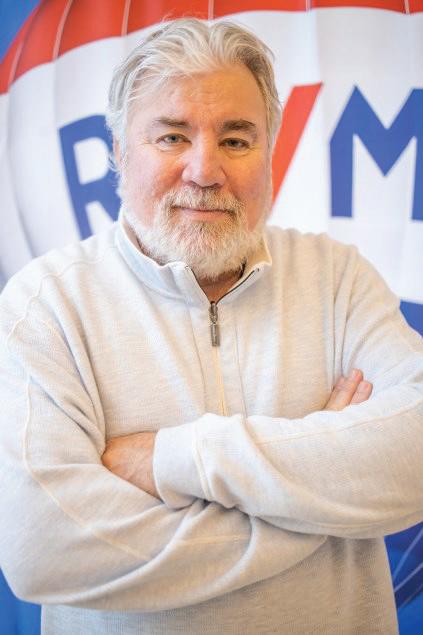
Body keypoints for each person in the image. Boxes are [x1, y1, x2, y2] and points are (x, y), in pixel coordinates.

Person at [0, 18, 422, 635]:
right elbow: (42, 549)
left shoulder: (338, 278)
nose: (204, 170)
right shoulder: (45, 305)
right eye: (172, 137)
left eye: (235, 140)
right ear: (118, 150)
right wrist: (320, 505)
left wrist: (174, 459)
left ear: (270, 152)